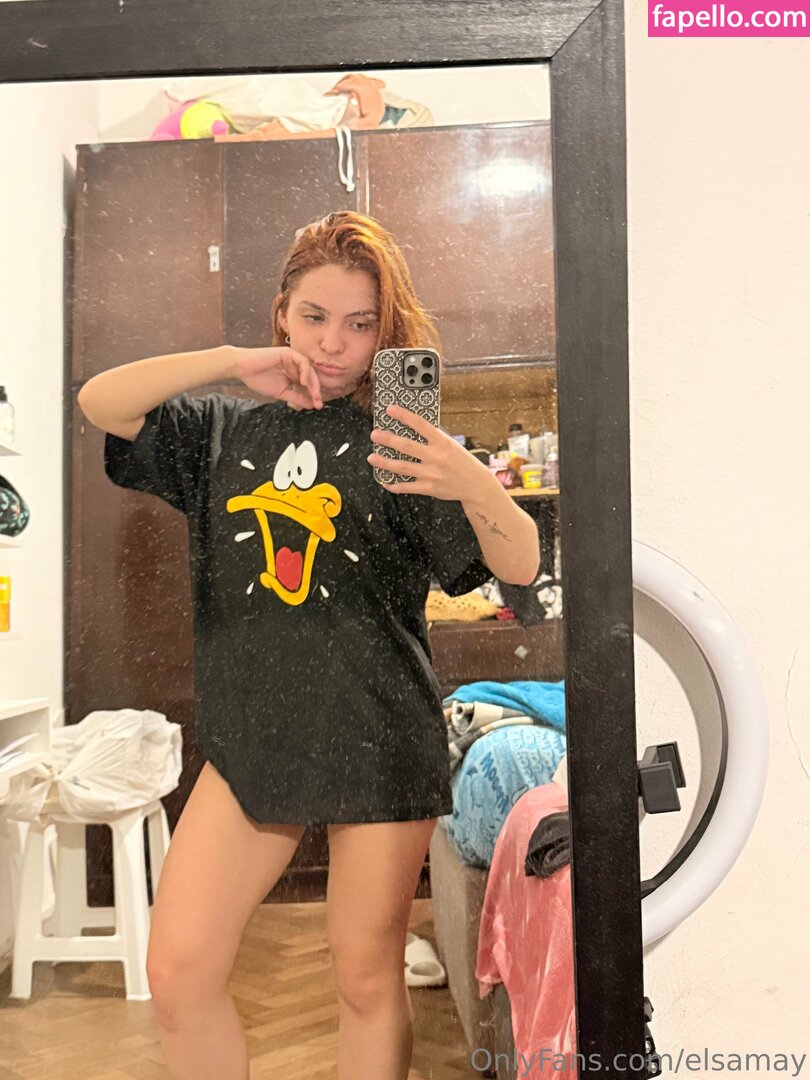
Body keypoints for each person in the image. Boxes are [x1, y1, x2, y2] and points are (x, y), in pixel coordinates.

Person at [77, 210, 540, 1080]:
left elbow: (519, 563)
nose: (334, 343)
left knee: (365, 976)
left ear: (385, 332)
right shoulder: (220, 432)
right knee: (178, 972)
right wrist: (230, 361)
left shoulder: (407, 446)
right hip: (253, 736)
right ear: (282, 312)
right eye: (315, 316)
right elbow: (101, 400)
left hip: (378, 733)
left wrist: (471, 478)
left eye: (361, 324)